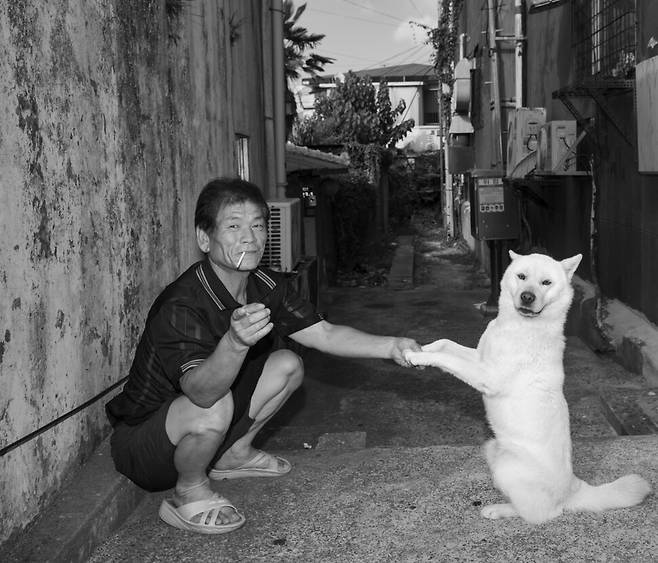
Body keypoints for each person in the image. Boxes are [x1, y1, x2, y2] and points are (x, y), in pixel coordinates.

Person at [105, 177, 421, 535]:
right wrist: (235, 343)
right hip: (145, 446)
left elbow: (323, 333)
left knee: (288, 365)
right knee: (218, 401)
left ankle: (232, 455)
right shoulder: (182, 303)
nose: (249, 237)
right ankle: (188, 491)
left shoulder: (265, 285)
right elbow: (201, 393)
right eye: (234, 226)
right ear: (204, 239)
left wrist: (391, 345)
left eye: (257, 225)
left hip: (203, 424)